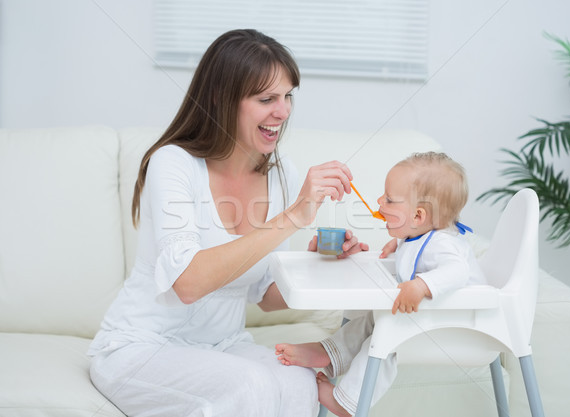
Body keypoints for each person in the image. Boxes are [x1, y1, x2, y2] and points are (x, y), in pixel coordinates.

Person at [87, 29, 368, 417]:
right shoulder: (173, 163)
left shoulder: (281, 173)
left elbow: (266, 295)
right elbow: (187, 284)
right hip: (143, 346)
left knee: (297, 381)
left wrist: (320, 265)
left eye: (287, 96)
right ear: (221, 98)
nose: (282, 111)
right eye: (266, 98)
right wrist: (292, 217)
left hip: (224, 346)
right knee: (249, 386)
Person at [275, 152, 486, 417]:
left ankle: (347, 402)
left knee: (386, 330)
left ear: (418, 216)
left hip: (459, 326)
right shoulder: (420, 236)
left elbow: (457, 270)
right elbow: (418, 255)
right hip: (437, 318)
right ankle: (328, 353)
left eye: (388, 199)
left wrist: (420, 286)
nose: (379, 202)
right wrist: (399, 247)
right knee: (373, 318)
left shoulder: (443, 244)